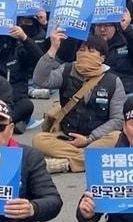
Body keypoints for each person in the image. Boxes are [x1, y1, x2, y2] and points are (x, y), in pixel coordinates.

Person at [30, 30, 125, 174]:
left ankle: (67, 162)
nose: (85, 54)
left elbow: (117, 119)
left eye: (91, 51)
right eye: (82, 50)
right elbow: (40, 80)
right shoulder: (66, 71)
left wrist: (89, 139)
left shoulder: (113, 81)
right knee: (39, 139)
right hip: (67, 137)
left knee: (116, 137)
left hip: (96, 139)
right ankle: (88, 158)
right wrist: (53, 49)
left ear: (102, 57)